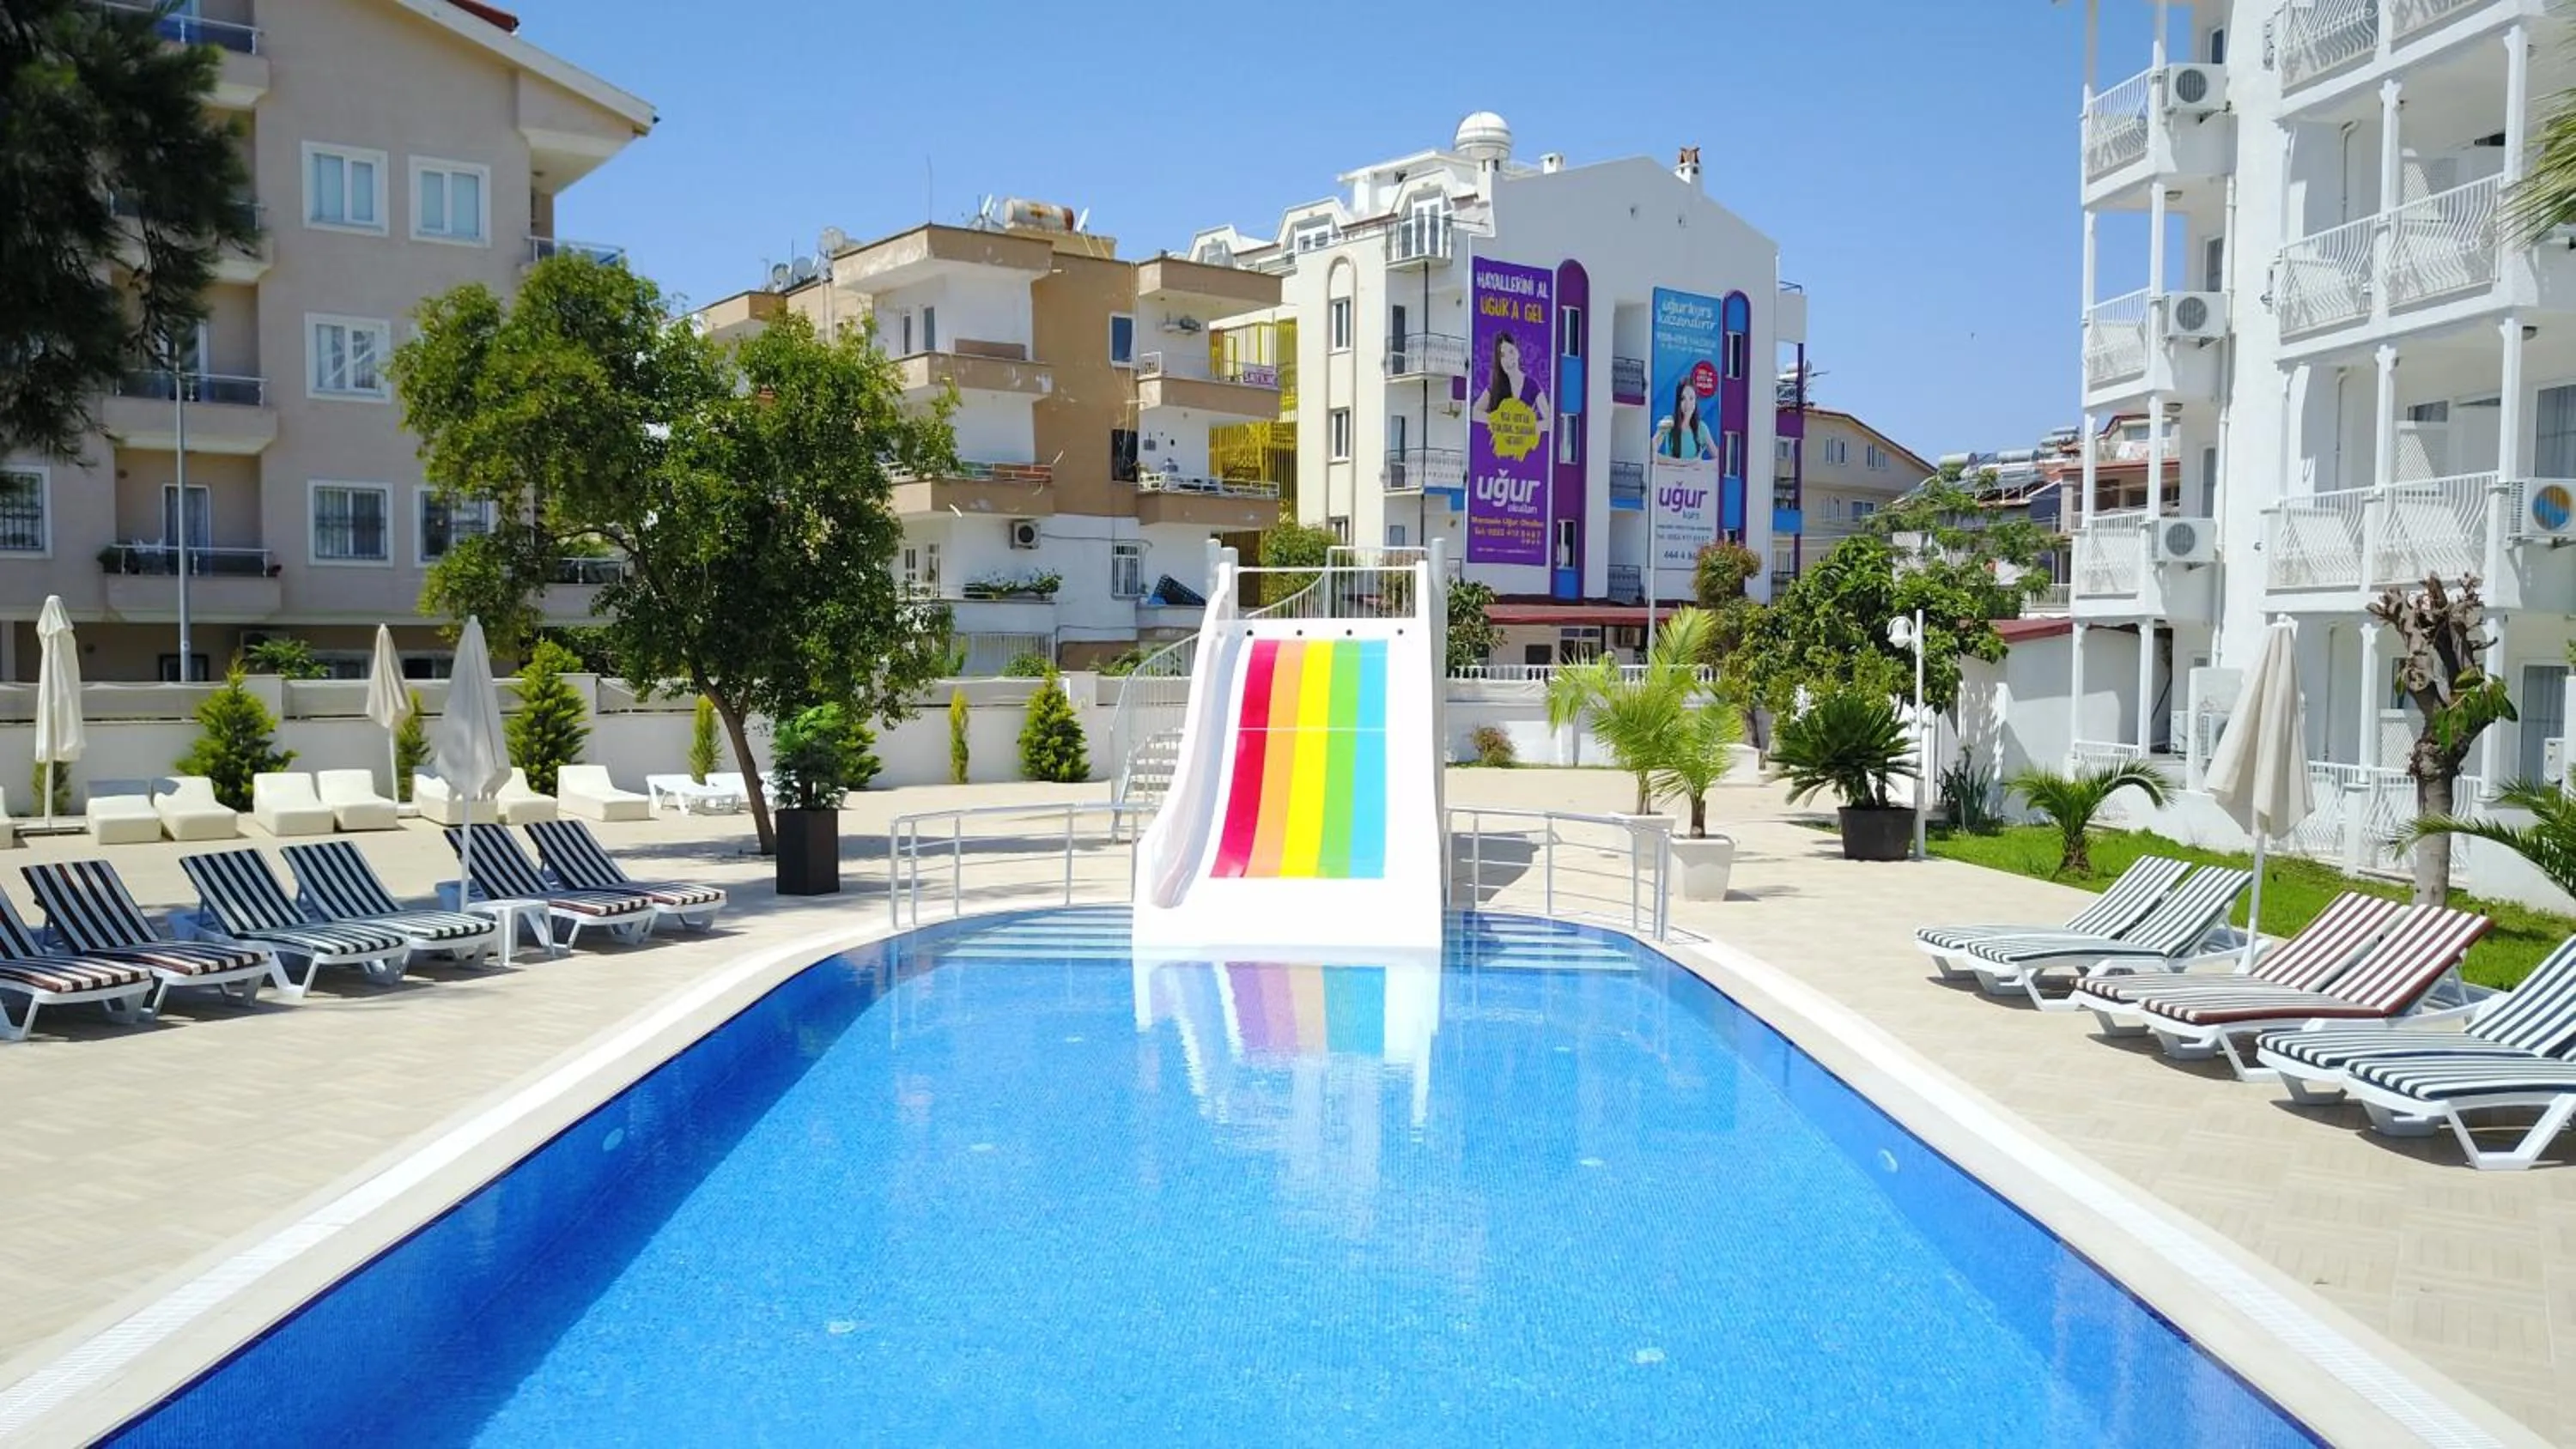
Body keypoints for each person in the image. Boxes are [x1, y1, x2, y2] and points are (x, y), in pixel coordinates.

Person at [1473, 330, 1550, 433]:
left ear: (1518, 352)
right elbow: (1474, 412)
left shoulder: (1531, 385)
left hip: (1524, 446)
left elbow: (1550, 421)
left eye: (1511, 352)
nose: (1508, 359)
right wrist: (1498, 421)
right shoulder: (1495, 386)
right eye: (1502, 355)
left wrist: (1528, 427)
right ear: (1499, 361)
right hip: (1498, 446)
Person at [1652, 377, 1717, 461]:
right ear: (1678, 402)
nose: (1687, 404)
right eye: (1683, 398)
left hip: (1693, 473)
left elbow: (1717, 459)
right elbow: (1651, 453)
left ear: (1696, 401)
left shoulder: (1701, 427)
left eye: (1691, 398)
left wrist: (1701, 464)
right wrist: (1683, 464)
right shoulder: (1668, 421)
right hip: (1671, 473)